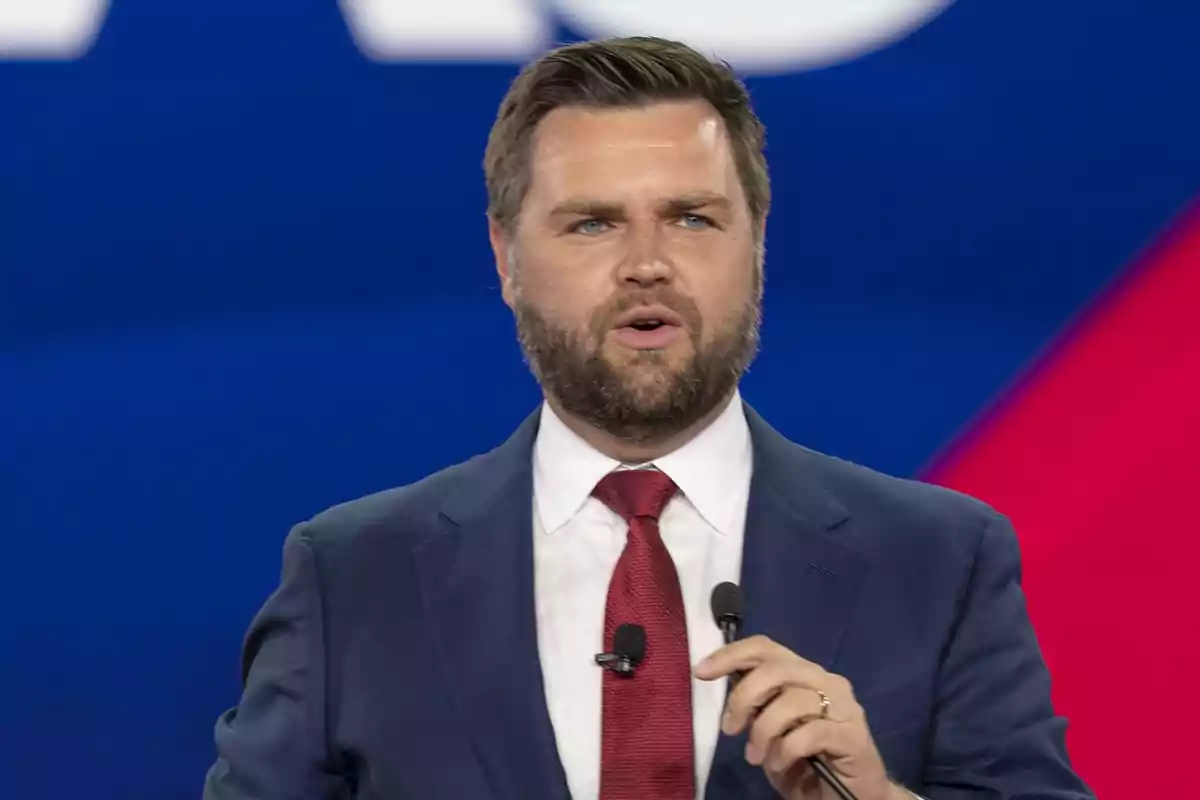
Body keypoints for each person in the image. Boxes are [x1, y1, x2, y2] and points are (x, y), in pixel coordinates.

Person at [203, 36, 1094, 800]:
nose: (647, 265)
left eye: (692, 218)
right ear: (507, 258)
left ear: (757, 243)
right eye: (592, 224)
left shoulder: (940, 563)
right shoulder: (355, 578)